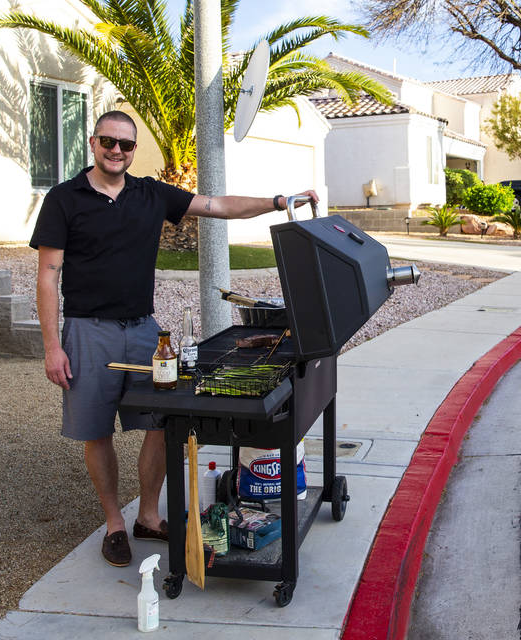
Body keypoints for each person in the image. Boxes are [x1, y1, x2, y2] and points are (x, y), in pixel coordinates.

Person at [30, 110, 318, 567]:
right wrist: (52, 346)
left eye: (126, 144)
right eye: (109, 141)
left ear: (134, 148)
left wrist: (278, 201)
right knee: (97, 430)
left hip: (144, 329)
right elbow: (47, 277)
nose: (117, 151)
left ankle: (148, 515)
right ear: (93, 141)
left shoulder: (150, 194)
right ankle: (115, 524)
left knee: (162, 422)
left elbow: (217, 206)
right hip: (88, 332)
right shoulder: (65, 199)